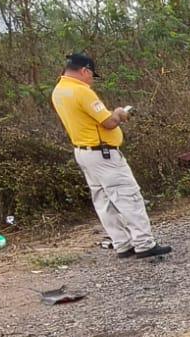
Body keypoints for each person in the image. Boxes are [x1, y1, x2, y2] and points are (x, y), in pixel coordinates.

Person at [51, 52, 171, 259]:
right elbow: (108, 122)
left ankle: (122, 244)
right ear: (84, 70)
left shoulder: (58, 91)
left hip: (83, 152)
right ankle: (144, 243)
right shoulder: (82, 92)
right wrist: (119, 113)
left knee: (103, 200)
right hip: (103, 153)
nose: (91, 80)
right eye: (91, 75)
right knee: (128, 196)